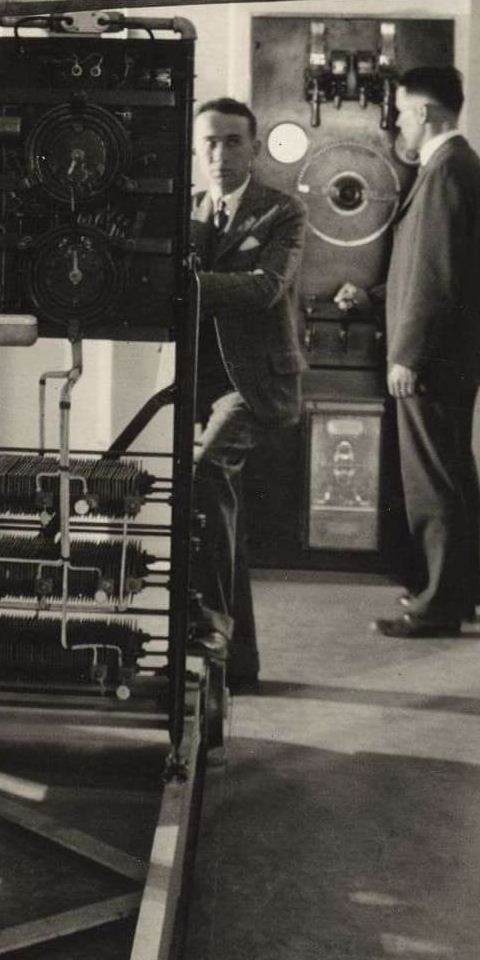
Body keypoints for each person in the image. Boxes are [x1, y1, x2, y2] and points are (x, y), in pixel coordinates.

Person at [342, 63, 480, 638]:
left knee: (433, 485)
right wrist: (374, 294)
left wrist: (405, 354)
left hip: (432, 360)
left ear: (427, 114)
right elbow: (429, 269)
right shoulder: (457, 169)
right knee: (451, 478)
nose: (400, 126)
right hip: (450, 356)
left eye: (404, 114)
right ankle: (452, 596)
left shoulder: (446, 171)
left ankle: (436, 604)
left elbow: (436, 276)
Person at [186, 96, 306, 692]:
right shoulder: (189, 212)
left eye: (233, 141)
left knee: (207, 475)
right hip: (196, 384)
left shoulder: (281, 212)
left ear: (254, 149)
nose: (220, 153)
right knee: (213, 510)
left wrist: (183, 285)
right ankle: (237, 660)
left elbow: (264, 289)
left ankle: (212, 635)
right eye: (209, 141)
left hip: (253, 385)